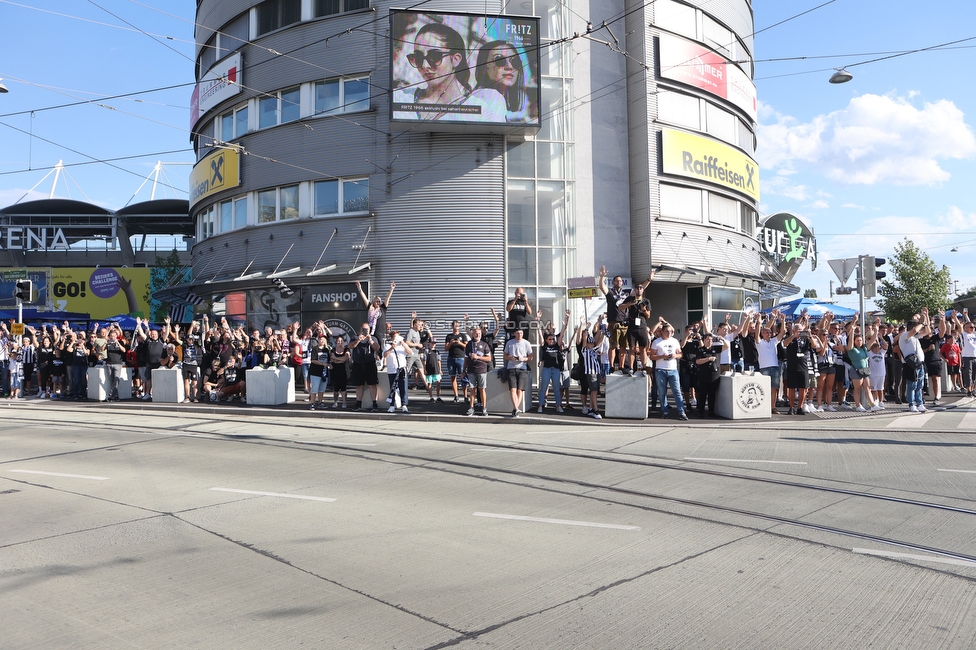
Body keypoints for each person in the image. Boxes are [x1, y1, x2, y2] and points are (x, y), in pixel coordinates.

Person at [393, 22, 505, 122]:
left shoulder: (480, 110)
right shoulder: (399, 98)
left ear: (455, 59)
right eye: (418, 57)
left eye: (434, 56)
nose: (424, 65)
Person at [474, 40, 535, 122]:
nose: (509, 67)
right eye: (499, 60)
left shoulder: (491, 98)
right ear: (484, 67)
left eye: (515, 61)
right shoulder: (490, 96)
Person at [650, 321, 687, 420]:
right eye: (667, 331)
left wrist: (675, 355)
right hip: (660, 369)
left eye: (670, 331)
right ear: (662, 332)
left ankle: (681, 411)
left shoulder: (674, 341)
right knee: (662, 392)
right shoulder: (656, 342)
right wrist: (662, 356)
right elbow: (652, 356)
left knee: (677, 391)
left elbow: (680, 354)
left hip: (673, 369)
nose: (669, 333)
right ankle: (665, 411)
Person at [598, 266, 631, 373]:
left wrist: (649, 279)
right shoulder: (611, 292)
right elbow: (602, 287)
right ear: (613, 282)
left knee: (623, 346)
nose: (619, 282)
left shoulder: (626, 292)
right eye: (617, 281)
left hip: (625, 323)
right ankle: (611, 367)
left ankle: (621, 366)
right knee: (613, 346)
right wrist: (602, 276)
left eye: (620, 281)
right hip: (614, 322)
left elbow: (640, 290)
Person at [536, 311, 570, 414]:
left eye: (553, 339)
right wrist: (537, 320)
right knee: (544, 388)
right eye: (550, 339)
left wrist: (566, 320)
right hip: (546, 368)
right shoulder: (544, 345)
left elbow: (562, 333)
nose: (551, 340)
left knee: (556, 388)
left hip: (556, 369)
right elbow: (539, 333)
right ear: (546, 340)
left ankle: (558, 405)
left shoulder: (556, 345)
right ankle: (540, 405)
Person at [900, 310, 931, 413]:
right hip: (910, 364)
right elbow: (913, 331)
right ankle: (911, 404)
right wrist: (920, 323)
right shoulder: (905, 336)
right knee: (912, 385)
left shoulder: (916, 337)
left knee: (919, 385)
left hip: (920, 363)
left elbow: (927, 331)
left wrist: (925, 319)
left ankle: (920, 403)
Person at [756, 310, 785, 413]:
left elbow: (782, 333)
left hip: (775, 367)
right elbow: (756, 335)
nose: (768, 334)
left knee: (774, 389)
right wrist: (759, 322)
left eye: (769, 332)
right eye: (765, 332)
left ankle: (773, 407)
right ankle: (764, 407)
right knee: (764, 389)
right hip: (764, 368)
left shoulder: (774, 341)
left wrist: (783, 321)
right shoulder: (759, 342)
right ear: (762, 334)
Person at [695, 329, 727, 418]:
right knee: (703, 394)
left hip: (714, 375)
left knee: (712, 395)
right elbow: (697, 361)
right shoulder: (700, 350)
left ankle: (711, 411)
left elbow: (727, 346)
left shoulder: (715, 349)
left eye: (711, 340)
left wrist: (722, 339)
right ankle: (701, 411)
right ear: (704, 340)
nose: (710, 341)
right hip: (704, 375)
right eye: (708, 339)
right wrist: (708, 359)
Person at [349, 322, 381, 412]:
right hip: (358, 364)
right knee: (359, 385)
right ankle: (358, 403)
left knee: (372, 385)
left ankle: (375, 404)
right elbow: (350, 346)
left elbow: (377, 348)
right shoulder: (355, 337)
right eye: (363, 329)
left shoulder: (373, 338)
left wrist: (370, 340)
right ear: (360, 329)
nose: (365, 331)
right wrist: (358, 340)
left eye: (367, 329)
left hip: (369, 363)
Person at [503, 327, 533, 417]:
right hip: (511, 367)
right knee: (512, 389)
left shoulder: (526, 343)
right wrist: (510, 358)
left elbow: (531, 357)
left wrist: (523, 359)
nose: (519, 335)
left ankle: (516, 408)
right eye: (518, 333)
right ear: (514, 334)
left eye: (521, 333)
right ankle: (516, 408)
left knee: (520, 390)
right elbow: (505, 355)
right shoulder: (510, 343)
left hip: (522, 368)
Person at [465, 326, 492, 416]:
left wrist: (478, 357)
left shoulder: (484, 344)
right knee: (472, 389)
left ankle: (484, 408)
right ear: (472, 333)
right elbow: (466, 359)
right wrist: (463, 370)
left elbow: (489, 358)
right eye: (476, 333)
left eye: (479, 333)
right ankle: (471, 408)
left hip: (482, 370)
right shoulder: (469, 344)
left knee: (482, 389)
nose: (478, 335)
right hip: (471, 370)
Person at [383, 331, 411, 413]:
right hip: (392, 370)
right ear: (392, 338)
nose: (397, 339)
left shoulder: (402, 346)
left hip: (402, 370)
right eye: (395, 337)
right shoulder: (387, 345)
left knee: (403, 388)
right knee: (392, 388)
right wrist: (392, 348)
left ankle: (404, 405)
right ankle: (392, 405)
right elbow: (385, 355)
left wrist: (404, 344)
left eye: (398, 336)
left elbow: (410, 352)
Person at [444, 320, 470, 403]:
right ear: (452, 327)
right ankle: (456, 396)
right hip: (451, 358)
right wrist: (451, 343)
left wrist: (459, 342)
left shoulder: (462, 335)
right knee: (453, 377)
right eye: (455, 325)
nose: (456, 327)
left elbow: (466, 346)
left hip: (461, 358)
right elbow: (446, 349)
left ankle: (465, 396)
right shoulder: (449, 336)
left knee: (463, 377)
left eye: (458, 325)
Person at [308, 334, 331, 410]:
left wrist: (329, 365)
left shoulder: (326, 350)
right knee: (314, 388)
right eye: (321, 339)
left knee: (322, 389)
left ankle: (320, 402)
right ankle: (312, 403)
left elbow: (328, 360)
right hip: (315, 372)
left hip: (324, 372)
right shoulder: (315, 349)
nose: (323, 341)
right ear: (318, 340)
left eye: (324, 339)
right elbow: (313, 360)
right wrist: (321, 363)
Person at [104, 326, 127, 402]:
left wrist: (118, 343)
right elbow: (101, 349)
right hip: (109, 363)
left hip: (117, 363)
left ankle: (110, 394)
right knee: (111, 380)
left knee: (116, 380)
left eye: (114, 336)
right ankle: (115, 396)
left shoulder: (120, 342)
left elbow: (124, 350)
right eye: (111, 336)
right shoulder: (108, 343)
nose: (112, 337)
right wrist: (105, 343)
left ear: (116, 336)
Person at [329, 336, 350, 409]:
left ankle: (344, 402)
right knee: (336, 388)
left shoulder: (346, 349)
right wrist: (340, 360)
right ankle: (335, 402)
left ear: (343, 342)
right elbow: (332, 359)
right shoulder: (333, 350)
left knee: (343, 388)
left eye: (341, 341)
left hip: (344, 371)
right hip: (335, 371)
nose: (340, 342)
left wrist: (336, 358)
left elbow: (345, 358)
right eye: (338, 341)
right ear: (336, 342)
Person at [423, 337, 443, 403]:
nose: (433, 344)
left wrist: (440, 369)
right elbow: (424, 360)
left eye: (434, 343)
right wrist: (424, 369)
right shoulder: (426, 351)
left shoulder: (437, 352)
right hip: (429, 369)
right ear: (429, 343)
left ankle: (438, 396)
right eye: (432, 343)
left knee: (438, 382)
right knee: (429, 383)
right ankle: (431, 397)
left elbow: (439, 361)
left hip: (436, 369)